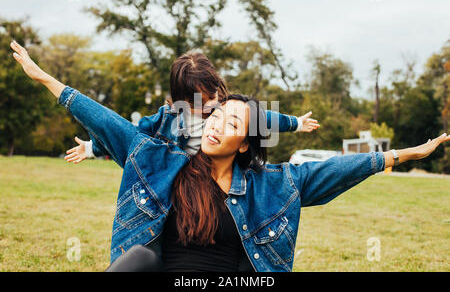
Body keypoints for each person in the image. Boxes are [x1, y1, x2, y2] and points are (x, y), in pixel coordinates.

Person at [10, 40, 450, 272]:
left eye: (234, 122)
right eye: (215, 114)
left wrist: (400, 154)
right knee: (139, 259)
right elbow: (108, 121)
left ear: (246, 141)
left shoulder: (271, 184)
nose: (217, 121)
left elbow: (333, 168)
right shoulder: (160, 156)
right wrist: (44, 77)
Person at [62, 51, 319, 164]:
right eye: (201, 101)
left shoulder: (227, 109)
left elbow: (264, 118)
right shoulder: (166, 120)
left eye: (214, 94)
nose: (211, 104)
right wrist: (93, 148)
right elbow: (129, 133)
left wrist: (295, 122)